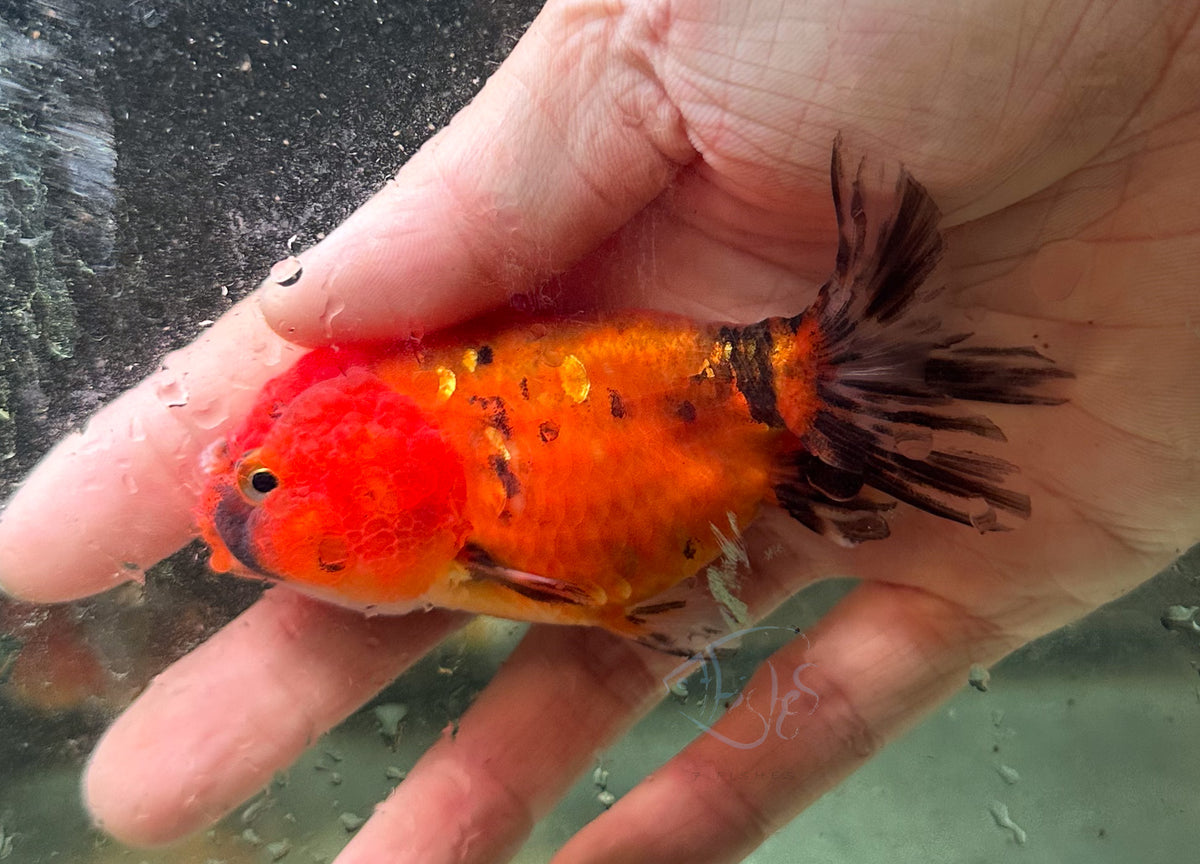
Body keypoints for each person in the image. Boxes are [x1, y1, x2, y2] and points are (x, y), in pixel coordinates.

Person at [2, 0, 1198, 860]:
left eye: (262, 484)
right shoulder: (436, 512)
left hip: (667, 418)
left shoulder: (440, 506)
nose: (237, 511)